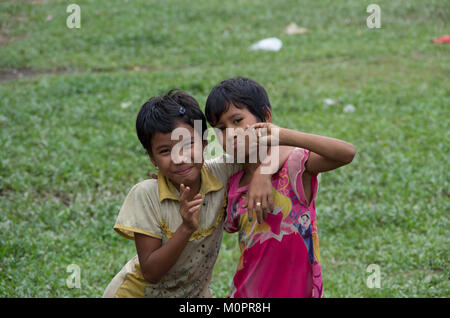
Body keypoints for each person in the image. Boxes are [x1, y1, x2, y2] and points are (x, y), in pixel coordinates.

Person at [103, 89, 273, 297]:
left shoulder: (222, 172)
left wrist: (264, 172)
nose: (179, 157)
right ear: (152, 158)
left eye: (187, 144)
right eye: (165, 151)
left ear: (204, 142)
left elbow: (269, 147)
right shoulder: (146, 195)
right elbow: (151, 272)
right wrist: (186, 228)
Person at [205, 77, 356, 298]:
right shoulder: (232, 183)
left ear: (266, 117)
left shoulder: (293, 168)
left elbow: (346, 153)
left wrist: (278, 138)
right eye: (220, 129)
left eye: (237, 121)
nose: (230, 133)